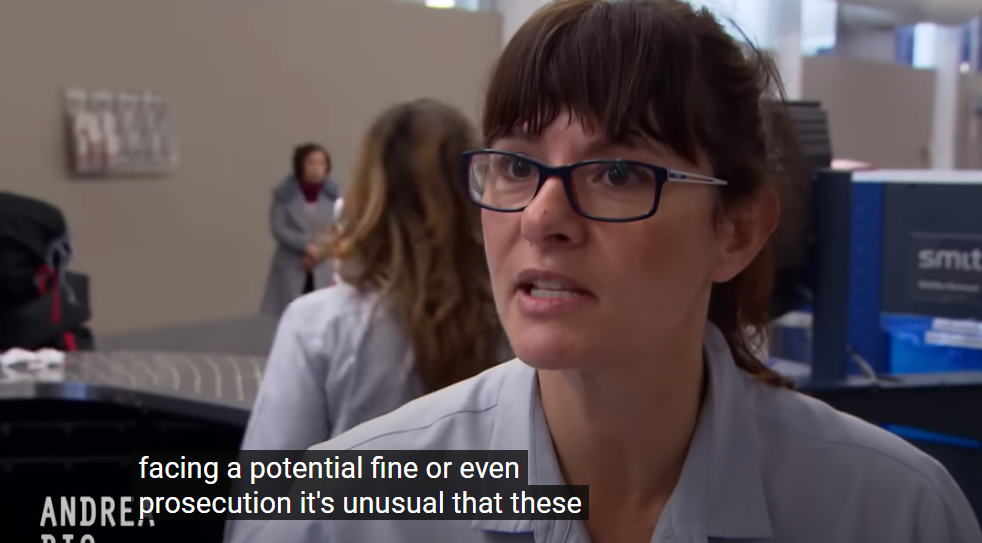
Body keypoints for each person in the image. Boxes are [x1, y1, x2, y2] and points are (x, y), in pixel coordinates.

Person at [254, 1, 982, 543]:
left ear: (736, 230)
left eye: (619, 173)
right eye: (516, 166)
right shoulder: (342, 509)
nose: (541, 217)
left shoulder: (893, 512)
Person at [260, 143, 340, 318]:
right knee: (292, 316)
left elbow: (338, 228)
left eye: (321, 163)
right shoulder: (284, 195)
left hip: (322, 265)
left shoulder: (335, 197)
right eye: (311, 162)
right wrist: (305, 247)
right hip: (292, 264)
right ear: (300, 165)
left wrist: (318, 252)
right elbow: (278, 228)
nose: (316, 168)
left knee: (321, 315)